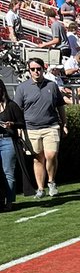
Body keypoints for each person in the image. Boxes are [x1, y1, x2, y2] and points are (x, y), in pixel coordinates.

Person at [14, 58, 66, 199]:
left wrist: (64, 123)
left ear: (44, 68)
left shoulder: (52, 85)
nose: (36, 71)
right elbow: (17, 109)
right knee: (38, 158)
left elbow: (60, 106)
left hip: (51, 126)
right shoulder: (22, 88)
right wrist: (19, 127)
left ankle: (51, 182)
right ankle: (40, 188)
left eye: (39, 68)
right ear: (29, 70)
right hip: (31, 128)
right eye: (33, 69)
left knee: (51, 155)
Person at [0, 78, 27, 212]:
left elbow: (22, 123)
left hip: (7, 140)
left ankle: (9, 202)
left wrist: (12, 124)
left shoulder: (11, 105)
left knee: (8, 172)